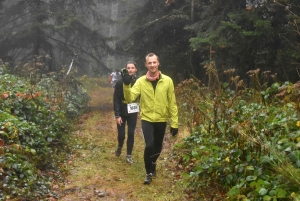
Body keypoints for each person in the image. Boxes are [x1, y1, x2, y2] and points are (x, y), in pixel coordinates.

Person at [121, 53, 178, 184]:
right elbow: (130, 98)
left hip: (161, 119)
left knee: (158, 148)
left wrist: (175, 123)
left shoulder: (168, 81)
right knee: (150, 145)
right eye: (149, 63)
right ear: (145, 65)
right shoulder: (141, 81)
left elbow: (172, 103)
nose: (152, 65)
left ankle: (153, 163)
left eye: (154, 62)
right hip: (147, 119)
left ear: (158, 63)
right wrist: (126, 85)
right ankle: (148, 173)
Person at [113, 61, 139, 164]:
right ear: (125, 69)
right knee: (122, 134)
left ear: (136, 69)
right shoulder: (120, 82)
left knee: (131, 133)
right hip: (122, 110)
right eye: (128, 68)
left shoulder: (138, 81)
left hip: (133, 109)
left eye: (132, 68)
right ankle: (120, 146)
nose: (130, 70)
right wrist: (117, 115)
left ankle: (129, 155)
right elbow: (116, 99)